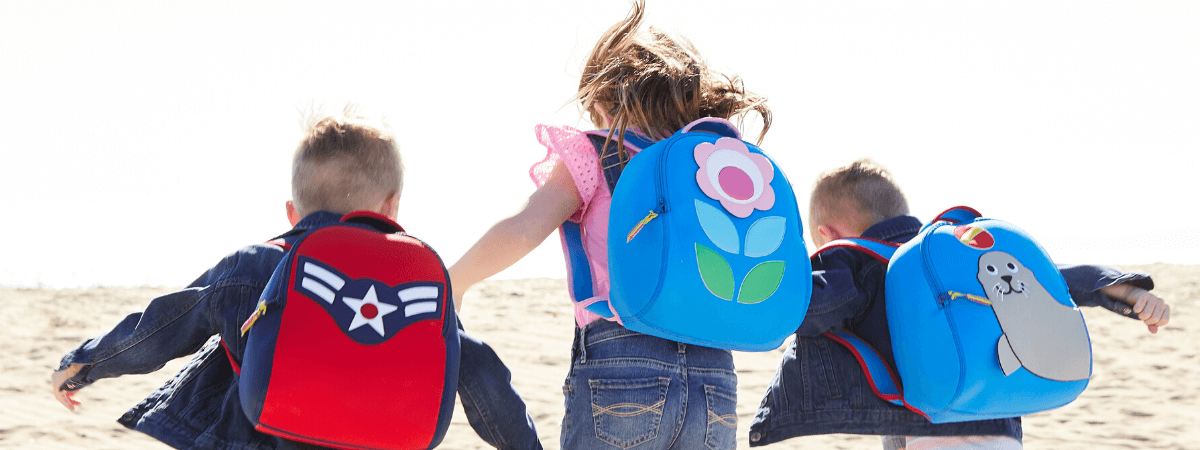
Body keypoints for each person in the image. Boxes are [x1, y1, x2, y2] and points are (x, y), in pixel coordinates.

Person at [51, 111, 543, 450]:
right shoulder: (415, 287)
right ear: (392, 206)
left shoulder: (254, 267)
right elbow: (479, 371)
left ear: (291, 211)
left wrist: (85, 363)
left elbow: (166, 324)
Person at [447, 2, 770, 449]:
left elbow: (524, 227)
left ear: (603, 103)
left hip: (623, 365)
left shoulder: (599, 151)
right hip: (715, 376)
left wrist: (451, 281)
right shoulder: (710, 167)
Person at [748, 158, 1172, 449]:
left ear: (827, 231)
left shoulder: (853, 259)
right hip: (1002, 424)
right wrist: (1114, 286)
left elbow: (809, 308)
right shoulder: (950, 252)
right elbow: (1034, 280)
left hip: (929, 428)